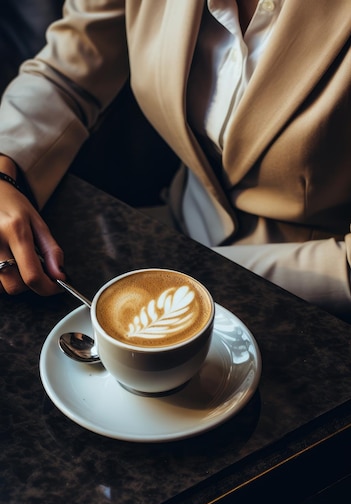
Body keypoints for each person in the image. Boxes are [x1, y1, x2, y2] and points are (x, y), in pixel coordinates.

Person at [0, 0, 350, 319]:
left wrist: (196, 272)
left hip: (313, 302)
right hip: (176, 232)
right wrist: (4, 168)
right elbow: (65, 74)